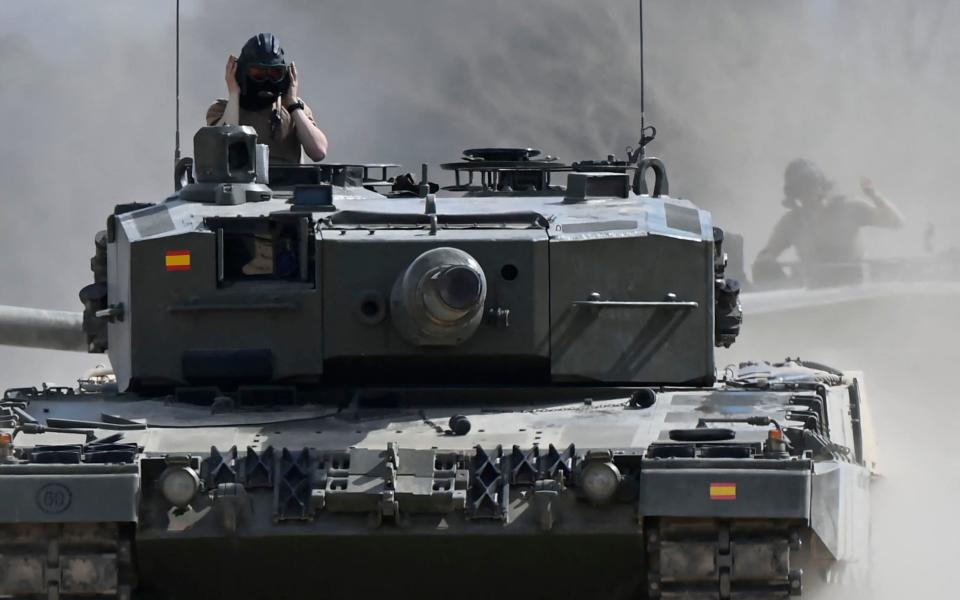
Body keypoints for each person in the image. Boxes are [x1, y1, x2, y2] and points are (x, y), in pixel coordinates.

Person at [752, 158, 905, 286]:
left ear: (821, 185)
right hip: (811, 295)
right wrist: (768, 263)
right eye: (800, 190)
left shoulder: (849, 208)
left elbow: (897, 222)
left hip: (854, 289)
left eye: (810, 186)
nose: (807, 194)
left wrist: (874, 196)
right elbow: (767, 255)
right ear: (794, 195)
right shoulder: (791, 222)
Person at [206, 33, 328, 164]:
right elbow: (223, 149)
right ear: (240, 73)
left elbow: (318, 152)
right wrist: (234, 94)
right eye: (258, 73)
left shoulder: (294, 108)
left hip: (289, 182)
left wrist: (293, 104)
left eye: (275, 74)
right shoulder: (222, 109)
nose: (266, 80)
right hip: (243, 183)